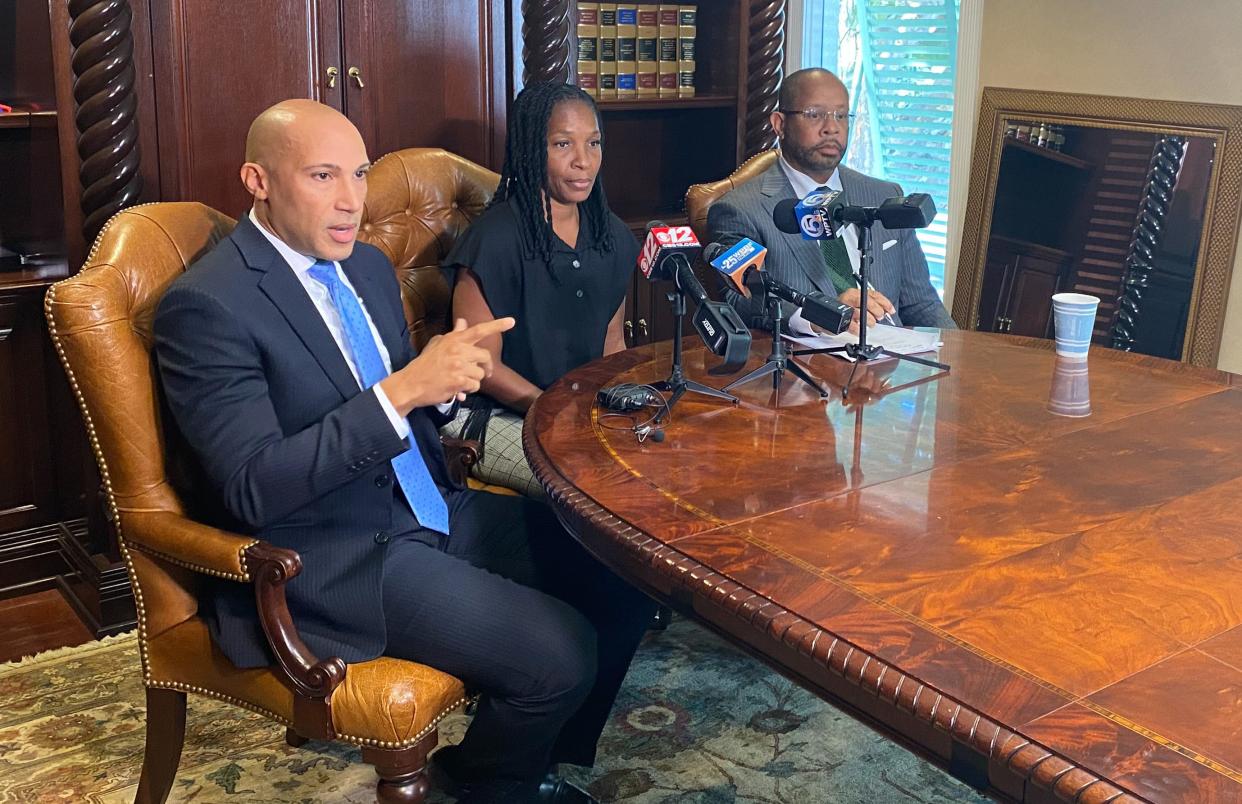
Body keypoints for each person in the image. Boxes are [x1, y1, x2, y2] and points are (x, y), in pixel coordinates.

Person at [153, 99, 654, 803]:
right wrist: (400, 394)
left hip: (427, 504)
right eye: (323, 176)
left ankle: (531, 757)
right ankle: (483, 785)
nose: (351, 200)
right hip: (329, 554)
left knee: (628, 571)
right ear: (257, 181)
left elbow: (408, 405)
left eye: (358, 174)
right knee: (560, 651)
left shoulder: (365, 269)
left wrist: (447, 389)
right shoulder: (209, 307)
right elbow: (250, 487)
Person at [443, 81, 637, 498]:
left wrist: (619, 407)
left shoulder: (614, 238)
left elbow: (612, 341)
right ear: (533, 149)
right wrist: (554, 409)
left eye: (594, 143)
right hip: (495, 415)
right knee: (591, 488)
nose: (583, 161)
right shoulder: (493, 240)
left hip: (581, 412)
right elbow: (481, 366)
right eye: (563, 144)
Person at [707, 67, 956, 333]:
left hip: (896, 359)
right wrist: (818, 315)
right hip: (814, 362)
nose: (831, 128)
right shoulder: (741, 209)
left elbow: (922, 304)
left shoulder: (884, 196)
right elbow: (740, 303)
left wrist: (959, 358)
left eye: (841, 115)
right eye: (814, 115)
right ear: (780, 124)